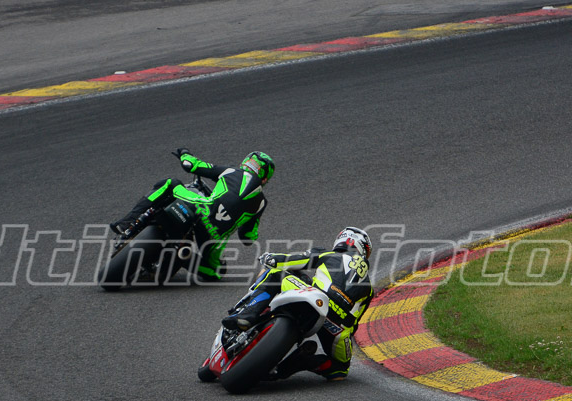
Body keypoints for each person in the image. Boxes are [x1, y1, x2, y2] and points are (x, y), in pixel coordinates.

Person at [222, 227, 374, 381]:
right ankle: (301, 362)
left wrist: (270, 258)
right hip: (338, 326)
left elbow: (293, 260)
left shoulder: (329, 254)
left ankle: (247, 315)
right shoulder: (368, 288)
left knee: (275, 274)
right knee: (340, 369)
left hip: (319, 299)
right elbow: (354, 323)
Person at [110, 149, 274, 282]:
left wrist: (184, 153)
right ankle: (184, 254)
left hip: (200, 208)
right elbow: (247, 238)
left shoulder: (232, 171)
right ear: (265, 178)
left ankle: (126, 223)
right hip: (214, 235)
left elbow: (191, 165)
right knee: (217, 272)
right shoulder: (261, 202)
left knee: (170, 183)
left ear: (245, 163)